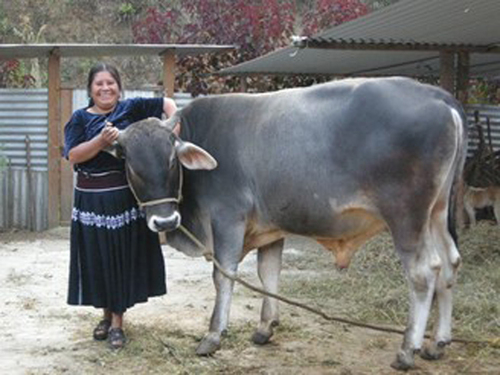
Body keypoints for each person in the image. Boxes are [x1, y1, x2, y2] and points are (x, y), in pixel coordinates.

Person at [63, 62, 177, 349]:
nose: (105, 88)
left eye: (110, 83)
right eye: (99, 83)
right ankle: (104, 315)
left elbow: (169, 104)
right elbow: (74, 155)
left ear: (119, 86)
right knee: (98, 261)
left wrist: (172, 135)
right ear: (90, 89)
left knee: (120, 260)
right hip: (89, 203)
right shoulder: (78, 119)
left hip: (123, 201)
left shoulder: (133, 108)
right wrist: (101, 141)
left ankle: (117, 324)